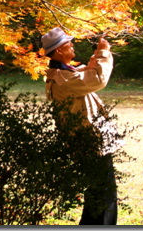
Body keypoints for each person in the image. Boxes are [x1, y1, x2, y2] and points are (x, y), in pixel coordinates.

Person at [42, 26, 118, 226]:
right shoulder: (62, 78)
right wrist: (103, 53)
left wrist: (92, 65)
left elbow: (81, 76)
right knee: (102, 194)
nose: (73, 45)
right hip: (88, 143)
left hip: (88, 142)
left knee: (99, 192)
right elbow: (98, 79)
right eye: (69, 44)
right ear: (59, 50)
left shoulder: (63, 74)